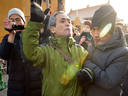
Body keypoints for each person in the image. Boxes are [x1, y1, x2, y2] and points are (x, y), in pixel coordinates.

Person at [21, 0, 93, 96]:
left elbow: (91, 68)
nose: (68, 24)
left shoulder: (81, 50)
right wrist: (35, 23)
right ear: (53, 29)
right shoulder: (46, 50)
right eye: (62, 21)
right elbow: (30, 55)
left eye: (69, 22)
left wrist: (88, 73)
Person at [83, 5, 128, 96]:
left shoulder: (122, 53)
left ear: (110, 30)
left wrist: (86, 63)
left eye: (100, 30)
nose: (95, 35)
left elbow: (108, 81)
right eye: (93, 29)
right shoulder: (91, 46)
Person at [0, 8, 43, 96]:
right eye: (12, 20)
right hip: (16, 87)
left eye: (18, 19)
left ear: (24, 22)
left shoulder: (33, 36)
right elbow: (4, 55)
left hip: (35, 86)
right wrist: (11, 34)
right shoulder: (7, 38)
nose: (15, 22)